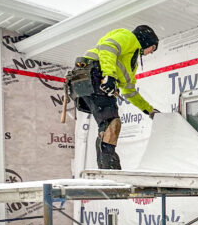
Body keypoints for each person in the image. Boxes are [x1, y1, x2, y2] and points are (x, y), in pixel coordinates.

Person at [66, 25, 160, 169]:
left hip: (87, 78)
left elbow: (130, 92)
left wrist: (149, 110)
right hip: (95, 74)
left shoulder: (130, 61)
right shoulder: (129, 38)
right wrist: (109, 75)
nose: (151, 53)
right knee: (111, 123)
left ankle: (107, 166)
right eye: (152, 48)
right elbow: (108, 47)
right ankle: (109, 169)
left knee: (108, 124)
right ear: (147, 41)